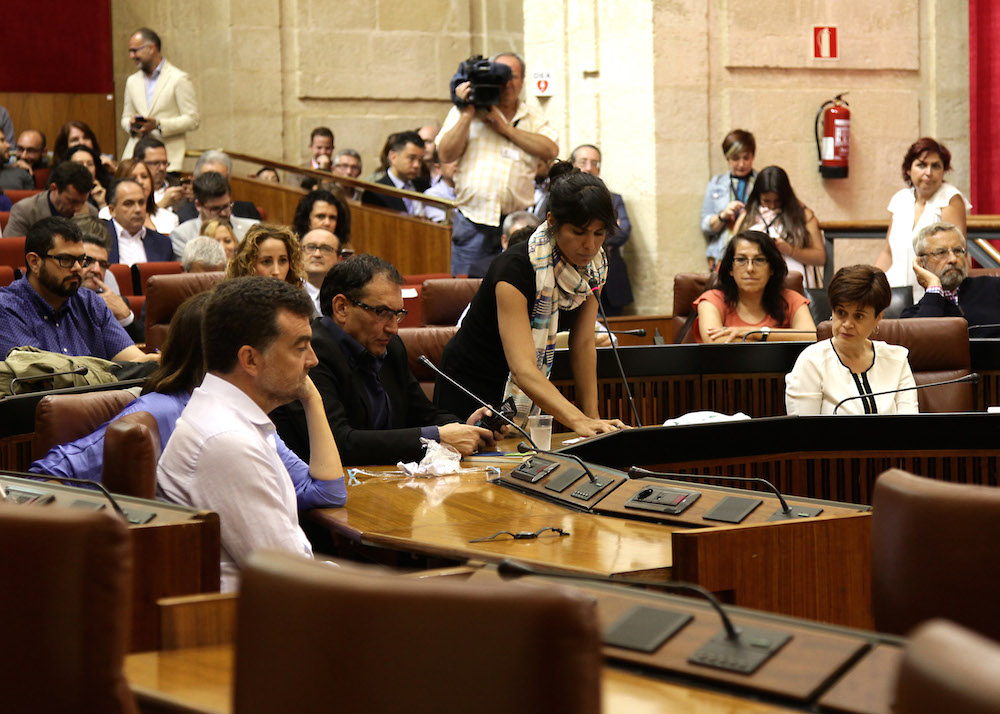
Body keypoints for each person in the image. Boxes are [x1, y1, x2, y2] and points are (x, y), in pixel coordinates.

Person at [157, 277, 345, 591]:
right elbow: (291, 578)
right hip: (250, 627)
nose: (313, 360)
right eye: (300, 348)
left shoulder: (230, 419)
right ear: (250, 359)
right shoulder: (226, 441)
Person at [434, 169, 626, 435]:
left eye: (599, 233)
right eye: (579, 232)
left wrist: (592, 418)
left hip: (526, 384)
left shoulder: (595, 266)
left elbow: (582, 344)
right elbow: (523, 368)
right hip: (473, 382)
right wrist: (578, 421)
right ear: (552, 221)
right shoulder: (515, 268)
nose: (590, 245)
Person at [271, 254, 497, 466]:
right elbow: (339, 442)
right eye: (382, 313)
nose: (394, 328)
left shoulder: (389, 346)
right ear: (341, 308)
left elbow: (423, 413)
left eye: (397, 314)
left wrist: (465, 426)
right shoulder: (310, 354)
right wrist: (437, 437)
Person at [437, 52, 559, 275]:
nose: (506, 82)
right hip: (473, 222)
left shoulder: (532, 117)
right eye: (499, 75)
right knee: (466, 293)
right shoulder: (465, 111)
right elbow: (445, 154)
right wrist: (467, 114)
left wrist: (505, 129)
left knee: (518, 287)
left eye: (512, 75)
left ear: (522, 81)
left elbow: (550, 149)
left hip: (517, 225)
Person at [0, 216, 157, 362]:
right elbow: (40, 375)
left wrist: (159, 362)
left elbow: (134, 362)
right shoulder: (8, 308)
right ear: (34, 262)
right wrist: (108, 372)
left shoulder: (91, 303)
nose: (77, 268)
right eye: (66, 260)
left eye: (81, 260)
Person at [786, 265, 917, 415]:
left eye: (858, 316)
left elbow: (910, 426)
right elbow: (803, 432)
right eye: (841, 312)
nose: (847, 324)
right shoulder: (811, 362)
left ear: (878, 318)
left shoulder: (897, 359)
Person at [875, 138, 971, 299]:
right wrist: (871, 283)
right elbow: (887, 253)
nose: (928, 172)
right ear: (908, 169)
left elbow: (957, 254)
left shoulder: (950, 198)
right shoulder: (900, 199)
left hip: (933, 293)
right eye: (921, 165)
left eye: (936, 166)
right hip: (894, 292)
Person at [693, 230, 816, 343]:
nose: (750, 268)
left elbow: (811, 337)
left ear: (771, 268)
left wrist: (753, 333)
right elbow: (715, 341)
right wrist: (776, 338)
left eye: (759, 260)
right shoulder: (712, 299)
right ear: (730, 268)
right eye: (741, 260)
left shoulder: (791, 299)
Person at [901, 222, 1000, 337]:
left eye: (957, 251)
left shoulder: (994, 287)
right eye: (941, 252)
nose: (953, 259)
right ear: (921, 263)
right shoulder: (913, 316)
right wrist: (934, 287)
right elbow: (923, 342)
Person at [121, 28, 200, 171]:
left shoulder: (178, 79)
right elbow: (125, 117)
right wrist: (131, 124)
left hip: (167, 162)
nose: (132, 56)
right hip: (136, 160)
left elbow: (192, 120)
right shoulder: (132, 81)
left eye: (135, 50)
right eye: (130, 51)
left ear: (151, 48)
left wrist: (158, 124)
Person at [734, 165, 826, 289]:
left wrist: (790, 250)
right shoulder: (747, 216)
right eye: (766, 201)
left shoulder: (803, 215)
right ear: (758, 196)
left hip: (795, 284)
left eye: (777, 201)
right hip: (754, 286)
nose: (772, 206)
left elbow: (820, 258)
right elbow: (733, 252)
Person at [570, 144, 634, 315]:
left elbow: (624, 231)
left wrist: (583, 234)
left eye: (595, 163)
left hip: (611, 282)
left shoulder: (614, 199)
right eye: (583, 162)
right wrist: (609, 227)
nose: (589, 168)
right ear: (572, 164)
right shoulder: (563, 199)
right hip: (573, 280)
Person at [78, 222, 144, 343]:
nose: (97, 270)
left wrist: (126, 316)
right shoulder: (56, 301)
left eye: (103, 265)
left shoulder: (114, 303)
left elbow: (141, 346)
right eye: (88, 261)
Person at [701, 129, 757, 269]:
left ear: (753, 157)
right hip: (722, 252)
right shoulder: (716, 184)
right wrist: (723, 215)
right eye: (735, 158)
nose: (741, 164)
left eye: (746, 158)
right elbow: (705, 225)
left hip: (754, 253)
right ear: (727, 158)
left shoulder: (761, 182)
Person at [170, 172, 259, 259]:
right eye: (215, 209)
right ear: (198, 205)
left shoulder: (252, 229)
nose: (224, 213)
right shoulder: (182, 236)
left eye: (226, 206)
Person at [3, 161, 99, 237]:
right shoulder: (25, 211)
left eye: (83, 202)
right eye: (72, 201)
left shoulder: (91, 213)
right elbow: (12, 252)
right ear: (54, 188)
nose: (78, 208)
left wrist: (84, 222)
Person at [174, 151, 262, 223]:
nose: (215, 183)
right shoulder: (182, 216)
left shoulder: (247, 210)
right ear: (195, 180)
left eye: (221, 179)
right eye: (208, 178)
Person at [103, 178, 174, 265]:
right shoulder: (99, 237)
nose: (138, 209)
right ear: (112, 210)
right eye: (128, 203)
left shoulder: (163, 243)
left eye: (141, 203)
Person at [99, 157, 179, 234]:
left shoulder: (170, 218)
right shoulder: (107, 214)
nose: (140, 182)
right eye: (133, 178)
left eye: (144, 177)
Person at [361, 130, 429, 214]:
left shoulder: (424, 186)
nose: (417, 165)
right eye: (411, 158)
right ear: (393, 157)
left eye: (420, 160)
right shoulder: (376, 192)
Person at [225, 223, 304, 286]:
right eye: (266, 262)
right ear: (247, 265)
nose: (276, 272)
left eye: (283, 260)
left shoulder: (299, 303)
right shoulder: (232, 304)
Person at [300, 229, 341, 315]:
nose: (317, 254)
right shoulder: (288, 292)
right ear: (299, 254)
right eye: (311, 247)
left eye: (326, 249)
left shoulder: (344, 295)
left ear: (339, 259)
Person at [62, 145, 111, 209]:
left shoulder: (106, 192)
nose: (86, 168)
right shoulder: (61, 193)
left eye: (90, 164)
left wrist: (102, 204)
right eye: (79, 164)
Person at [422, 150, 457, 223]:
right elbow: (444, 227)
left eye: (460, 159)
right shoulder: (432, 194)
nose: (456, 163)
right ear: (438, 168)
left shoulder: (470, 191)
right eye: (450, 160)